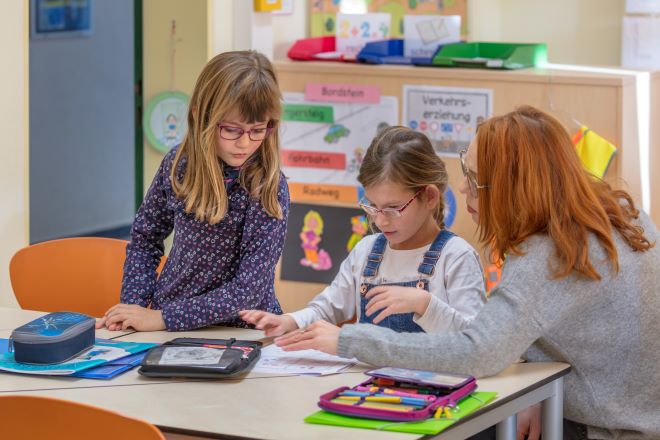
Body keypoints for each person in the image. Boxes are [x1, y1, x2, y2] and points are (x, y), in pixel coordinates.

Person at [275, 106, 660, 439]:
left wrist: (350, 341)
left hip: (608, 429)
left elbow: (478, 351)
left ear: (512, 189)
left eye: (474, 180)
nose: (462, 187)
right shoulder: (623, 215)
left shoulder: (549, 254)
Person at [96, 51, 289, 332]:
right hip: (167, 324)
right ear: (201, 116)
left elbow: (248, 290)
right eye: (232, 130)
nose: (245, 143)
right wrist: (134, 309)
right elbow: (145, 238)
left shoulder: (268, 186)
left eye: (258, 130)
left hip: (240, 329)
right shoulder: (178, 165)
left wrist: (162, 319)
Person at [241, 126, 486, 336]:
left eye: (392, 208)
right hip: (369, 386)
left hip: (431, 387)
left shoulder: (456, 257)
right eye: (372, 206)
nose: (380, 221)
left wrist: (425, 304)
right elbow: (327, 308)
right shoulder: (367, 252)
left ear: (429, 196)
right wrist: (290, 321)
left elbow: (474, 339)